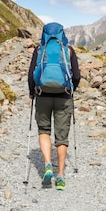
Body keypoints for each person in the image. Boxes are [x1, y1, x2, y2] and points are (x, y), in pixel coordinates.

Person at [28, 24, 81, 191]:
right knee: (62, 137)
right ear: (61, 34)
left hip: (43, 95)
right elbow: (77, 76)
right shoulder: (69, 50)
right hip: (64, 96)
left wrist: (32, 92)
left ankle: (47, 164)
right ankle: (60, 176)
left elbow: (31, 74)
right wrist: (71, 90)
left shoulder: (39, 50)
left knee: (44, 130)